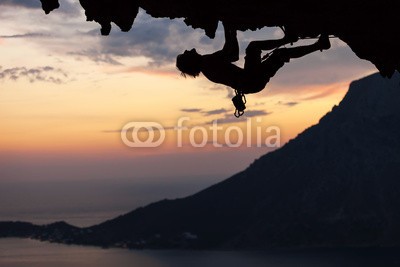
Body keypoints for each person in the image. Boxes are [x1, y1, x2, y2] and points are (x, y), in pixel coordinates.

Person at [176, 25, 330, 95]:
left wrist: (230, 30)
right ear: (190, 60)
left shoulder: (207, 65)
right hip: (250, 79)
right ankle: (290, 39)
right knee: (254, 47)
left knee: (280, 55)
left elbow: (231, 54)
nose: (187, 50)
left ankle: (319, 45)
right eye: (185, 54)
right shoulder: (207, 63)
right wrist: (229, 28)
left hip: (251, 83)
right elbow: (232, 53)